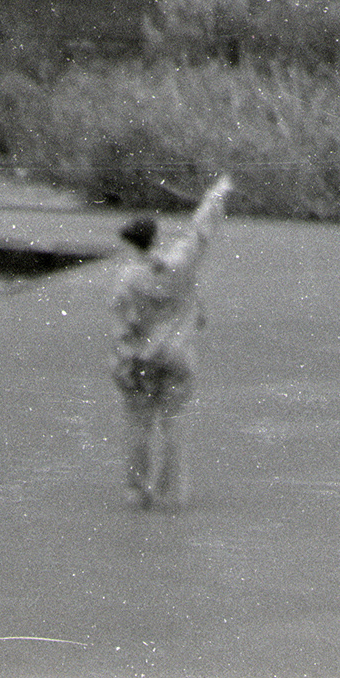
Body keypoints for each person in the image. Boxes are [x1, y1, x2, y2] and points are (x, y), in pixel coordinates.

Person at [110, 174, 232, 509]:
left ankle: (137, 491)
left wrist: (121, 360)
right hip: (178, 356)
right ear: (156, 238)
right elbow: (199, 232)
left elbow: (123, 323)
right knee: (173, 424)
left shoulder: (128, 278)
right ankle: (170, 492)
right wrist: (216, 195)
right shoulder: (181, 265)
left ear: (131, 244)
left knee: (139, 424)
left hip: (142, 358)